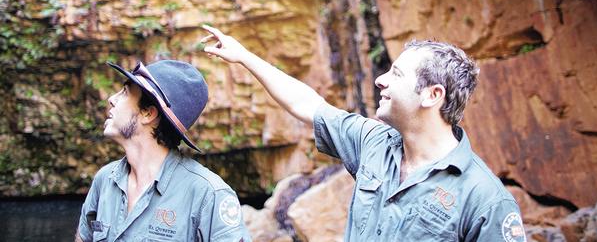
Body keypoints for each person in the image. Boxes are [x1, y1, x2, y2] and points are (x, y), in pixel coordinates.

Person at [201, 24, 526, 241]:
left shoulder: (484, 198)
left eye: (396, 74)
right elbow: (307, 103)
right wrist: (244, 57)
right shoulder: (373, 143)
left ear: (433, 95)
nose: (380, 80)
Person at [75, 60, 251, 242]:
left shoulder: (208, 194)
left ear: (148, 114)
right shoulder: (104, 180)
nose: (112, 99)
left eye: (125, 93)